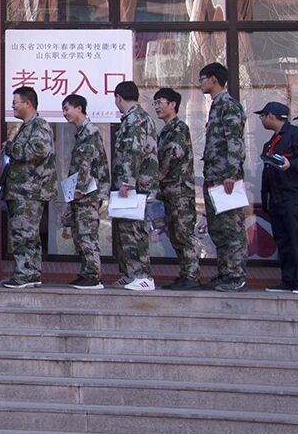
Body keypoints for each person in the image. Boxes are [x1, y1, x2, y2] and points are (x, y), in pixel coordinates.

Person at [0, 86, 56, 288]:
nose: (13, 106)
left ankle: (24, 274)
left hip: (29, 191)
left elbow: (38, 151)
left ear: (28, 103)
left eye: (15, 102)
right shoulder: (26, 127)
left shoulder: (39, 125)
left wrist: (10, 147)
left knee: (23, 234)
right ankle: (31, 273)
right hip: (23, 190)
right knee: (27, 234)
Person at [198, 62, 248, 292]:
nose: (200, 83)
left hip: (226, 179)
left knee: (231, 228)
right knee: (218, 229)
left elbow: (235, 142)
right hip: (214, 178)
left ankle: (236, 275)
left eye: (202, 79)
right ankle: (225, 273)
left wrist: (231, 174)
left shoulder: (229, 106)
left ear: (213, 79)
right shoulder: (216, 106)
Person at [111, 80, 160, 291]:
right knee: (126, 229)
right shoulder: (139, 118)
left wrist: (128, 182)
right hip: (135, 185)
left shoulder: (135, 119)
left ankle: (143, 275)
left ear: (119, 97)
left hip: (136, 186)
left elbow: (133, 151)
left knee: (134, 230)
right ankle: (131, 273)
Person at [61, 93, 110, 289]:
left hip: (88, 195)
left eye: (67, 109)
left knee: (87, 233)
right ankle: (86, 272)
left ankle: (94, 275)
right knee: (79, 234)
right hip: (81, 194)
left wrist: (80, 190)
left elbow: (86, 164)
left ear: (79, 108)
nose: (65, 113)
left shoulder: (90, 132)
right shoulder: (81, 133)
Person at [153, 88, 200, 290]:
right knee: (175, 234)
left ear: (172, 104)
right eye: (155, 103)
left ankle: (192, 276)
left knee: (184, 233)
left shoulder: (179, 128)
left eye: (160, 102)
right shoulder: (166, 130)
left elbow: (173, 155)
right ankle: (185, 274)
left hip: (180, 191)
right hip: (170, 191)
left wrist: (157, 176)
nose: (157, 106)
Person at [258, 103, 298, 293]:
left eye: (263, 115)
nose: (261, 119)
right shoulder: (271, 142)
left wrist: (292, 164)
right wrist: (265, 199)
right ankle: (288, 280)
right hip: (276, 198)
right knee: (283, 241)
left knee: (295, 239)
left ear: (272, 116)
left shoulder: (295, 135)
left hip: (293, 196)